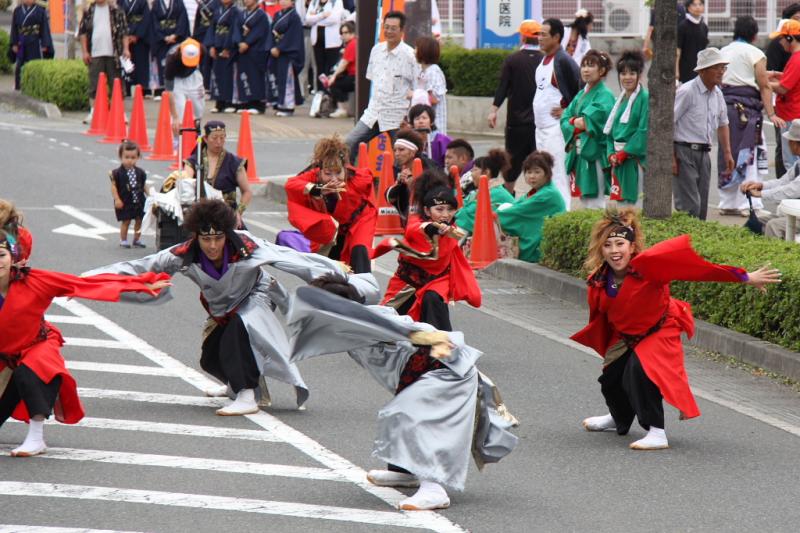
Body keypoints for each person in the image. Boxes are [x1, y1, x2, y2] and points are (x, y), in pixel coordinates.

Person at [84, 199, 350, 413]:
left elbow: (291, 259)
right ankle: (236, 384)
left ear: (227, 234)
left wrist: (335, 272)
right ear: (196, 236)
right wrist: (85, 281)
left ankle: (247, 395)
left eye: (218, 238)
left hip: (257, 294)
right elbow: (139, 266)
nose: (212, 245)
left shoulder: (247, 246)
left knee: (239, 330)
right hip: (221, 308)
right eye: (206, 239)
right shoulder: (183, 255)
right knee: (210, 357)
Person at [286, 283, 518, 511]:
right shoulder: (347, 323)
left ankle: (434, 490)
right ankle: (405, 472)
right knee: (400, 412)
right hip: (419, 373)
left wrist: (429, 337)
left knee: (408, 414)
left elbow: (404, 327)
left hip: (445, 369)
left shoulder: (366, 319)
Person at [572, 208, 780, 450]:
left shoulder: (649, 265)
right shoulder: (599, 278)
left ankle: (656, 431)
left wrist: (744, 277)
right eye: (608, 245)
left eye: (620, 243)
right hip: (626, 335)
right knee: (611, 380)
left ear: (631, 246)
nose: (615, 251)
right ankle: (618, 417)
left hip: (658, 328)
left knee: (640, 372)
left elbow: (698, 269)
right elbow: (602, 315)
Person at [0, 230, 170, 457]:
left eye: (1, 255)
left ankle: (36, 436)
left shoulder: (35, 280)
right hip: (4, 359)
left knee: (29, 372)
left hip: (35, 347)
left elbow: (83, 284)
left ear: (13, 257)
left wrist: (138, 284)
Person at [377, 174, 482, 331]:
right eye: (439, 209)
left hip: (436, 282)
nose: (445, 214)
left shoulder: (452, 232)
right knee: (384, 324)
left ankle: (442, 349)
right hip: (407, 283)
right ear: (426, 210)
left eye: (450, 209)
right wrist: (432, 228)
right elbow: (418, 228)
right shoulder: (415, 224)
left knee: (433, 301)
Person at [285, 136, 377, 273]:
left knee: (359, 252)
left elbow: (369, 192)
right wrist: (317, 190)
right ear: (320, 171)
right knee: (328, 265)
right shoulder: (313, 176)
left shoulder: (356, 178)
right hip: (332, 228)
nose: (334, 179)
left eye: (338, 172)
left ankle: (363, 289)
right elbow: (291, 184)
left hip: (359, 221)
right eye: (328, 174)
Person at [716, 16, 777, 216]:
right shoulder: (756, 53)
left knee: (727, 151)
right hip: (747, 111)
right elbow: (764, 85)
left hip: (725, 107)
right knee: (748, 154)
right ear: (754, 34)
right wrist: (771, 113)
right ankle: (748, 204)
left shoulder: (723, 52)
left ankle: (727, 201)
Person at [344, 11, 417, 162]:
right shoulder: (376, 50)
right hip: (373, 112)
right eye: (386, 27)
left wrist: (409, 117)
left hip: (398, 116)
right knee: (348, 143)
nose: (389, 31)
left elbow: (418, 88)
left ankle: (400, 185)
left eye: (393, 28)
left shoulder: (410, 55)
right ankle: (348, 179)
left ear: (402, 30)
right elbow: (372, 79)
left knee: (401, 158)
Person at [673, 48, 735, 221]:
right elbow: (669, 122)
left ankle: (696, 244)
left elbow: (723, 123)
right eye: (717, 67)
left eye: (723, 67)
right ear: (702, 70)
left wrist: (727, 152)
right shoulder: (687, 91)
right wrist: (671, 157)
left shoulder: (717, 93)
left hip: (704, 153)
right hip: (683, 152)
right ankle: (685, 242)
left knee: (701, 209)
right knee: (689, 206)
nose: (721, 72)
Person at [534, 18, 581, 212]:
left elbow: (581, 91)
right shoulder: (543, 60)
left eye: (544, 34)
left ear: (556, 37)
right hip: (541, 128)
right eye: (539, 34)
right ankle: (549, 212)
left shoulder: (563, 61)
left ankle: (563, 214)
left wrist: (568, 112)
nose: (540, 38)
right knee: (545, 173)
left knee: (558, 173)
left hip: (557, 129)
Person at [489, 19, 543, 190]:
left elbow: (503, 88)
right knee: (539, 164)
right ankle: (539, 200)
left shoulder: (513, 60)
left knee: (511, 167)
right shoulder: (545, 60)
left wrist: (493, 111)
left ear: (522, 37)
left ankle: (508, 202)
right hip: (540, 123)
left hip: (516, 124)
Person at [561, 50, 615, 209]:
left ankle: (598, 230)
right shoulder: (581, 94)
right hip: (580, 150)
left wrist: (575, 121)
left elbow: (587, 121)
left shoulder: (605, 95)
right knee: (585, 195)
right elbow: (565, 118)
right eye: (583, 65)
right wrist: (573, 121)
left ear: (602, 70)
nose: (585, 69)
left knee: (595, 199)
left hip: (595, 151)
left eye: (591, 65)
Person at [496, 151, 566, 263]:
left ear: (547, 174)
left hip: (541, 246)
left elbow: (518, 212)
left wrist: (493, 215)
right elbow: (519, 205)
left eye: (537, 172)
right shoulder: (538, 190)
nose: (532, 176)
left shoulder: (548, 194)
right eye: (528, 172)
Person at [181, 121, 252, 228]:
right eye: (214, 138)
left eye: (222, 138)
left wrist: (238, 213)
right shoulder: (194, 161)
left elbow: (247, 192)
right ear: (205, 139)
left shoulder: (234, 162)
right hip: (200, 215)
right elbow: (186, 182)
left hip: (226, 215)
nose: (219, 142)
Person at [740, 119, 800, 239]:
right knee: (755, 223)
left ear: (795, 144)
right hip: (796, 212)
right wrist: (760, 185)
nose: (788, 143)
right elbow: (782, 182)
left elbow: (791, 190)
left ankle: (777, 257)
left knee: (773, 226)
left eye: (790, 141)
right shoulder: (798, 164)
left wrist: (761, 194)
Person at [604, 50, 649, 207]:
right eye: (623, 73)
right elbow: (609, 132)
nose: (627, 77)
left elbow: (643, 131)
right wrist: (610, 153)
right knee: (620, 206)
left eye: (632, 73)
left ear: (640, 74)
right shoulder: (620, 99)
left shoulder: (644, 98)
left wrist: (624, 153)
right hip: (618, 160)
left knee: (633, 206)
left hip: (633, 159)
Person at [79, 0, 130, 125]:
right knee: (94, 83)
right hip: (95, 53)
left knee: (116, 83)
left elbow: (124, 32)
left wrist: (126, 49)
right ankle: (93, 111)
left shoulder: (117, 11)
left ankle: (120, 113)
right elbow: (83, 33)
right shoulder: (88, 11)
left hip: (114, 53)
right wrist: (85, 51)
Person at [454, 148, 515, 234]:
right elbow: (462, 204)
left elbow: (465, 214)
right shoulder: (486, 190)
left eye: (474, 170)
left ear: (486, 172)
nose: (471, 173)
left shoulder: (495, 193)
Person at [385, 129, 436, 226]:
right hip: (408, 223)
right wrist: (399, 183)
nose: (396, 154)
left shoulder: (430, 168)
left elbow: (436, 195)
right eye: (395, 150)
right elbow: (389, 198)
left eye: (401, 150)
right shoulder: (399, 169)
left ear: (413, 152)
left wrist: (414, 184)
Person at [768, 19, 800, 172]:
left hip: (791, 115)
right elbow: (791, 80)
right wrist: (775, 75)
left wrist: (762, 83)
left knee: (791, 163)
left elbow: (783, 88)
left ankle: (794, 196)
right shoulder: (795, 58)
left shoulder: (796, 59)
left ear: (790, 38)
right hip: (792, 113)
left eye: (782, 38)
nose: (780, 42)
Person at [110, 140, 149, 249]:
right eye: (126, 157)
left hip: (139, 200)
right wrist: (117, 199)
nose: (129, 160)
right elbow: (113, 187)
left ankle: (137, 239)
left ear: (138, 157)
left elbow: (143, 185)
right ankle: (123, 239)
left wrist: (150, 195)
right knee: (126, 221)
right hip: (125, 200)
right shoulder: (117, 173)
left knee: (139, 220)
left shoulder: (140, 172)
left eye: (133, 157)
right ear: (121, 157)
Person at [8, 0, 54, 91]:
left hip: (35, 42)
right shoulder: (17, 11)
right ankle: (18, 86)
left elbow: (44, 29)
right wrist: (14, 43)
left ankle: (35, 87)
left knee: (34, 65)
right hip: (21, 42)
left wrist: (45, 44)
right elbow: (14, 28)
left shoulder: (40, 11)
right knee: (20, 65)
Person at [205, 0, 241, 114]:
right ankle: (219, 102)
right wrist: (211, 45)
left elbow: (234, 31)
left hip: (228, 48)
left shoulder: (236, 12)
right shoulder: (217, 10)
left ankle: (230, 102)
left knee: (228, 75)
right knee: (217, 74)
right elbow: (212, 28)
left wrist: (227, 47)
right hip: (217, 45)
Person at [270, 0, 305, 117]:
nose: (283, 2)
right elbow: (271, 33)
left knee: (287, 80)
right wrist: (272, 47)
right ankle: (280, 104)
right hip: (277, 51)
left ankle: (288, 106)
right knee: (279, 79)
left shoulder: (294, 17)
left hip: (287, 53)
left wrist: (280, 48)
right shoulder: (277, 15)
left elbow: (293, 36)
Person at [236, 0, 271, 114]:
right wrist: (239, 42)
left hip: (256, 49)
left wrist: (247, 42)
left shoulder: (261, 15)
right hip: (242, 50)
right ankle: (245, 102)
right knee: (244, 75)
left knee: (255, 76)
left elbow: (260, 31)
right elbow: (236, 30)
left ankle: (258, 104)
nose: (246, 1)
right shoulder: (241, 14)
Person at [151, 0, 190, 98]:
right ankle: (162, 89)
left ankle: (174, 89)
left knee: (174, 63)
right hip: (161, 40)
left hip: (176, 39)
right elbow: (154, 22)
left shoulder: (178, 2)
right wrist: (164, 37)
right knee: (162, 64)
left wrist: (176, 35)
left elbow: (183, 19)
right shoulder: (156, 3)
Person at [166, 38, 206, 129]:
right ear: (181, 54)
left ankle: (196, 137)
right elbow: (169, 90)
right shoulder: (171, 59)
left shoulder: (202, 50)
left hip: (194, 76)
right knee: (180, 109)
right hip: (177, 80)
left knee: (198, 110)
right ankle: (177, 139)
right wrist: (175, 116)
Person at [413, 36, 448, 135]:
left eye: (416, 48)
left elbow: (434, 99)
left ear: (424, 51)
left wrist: (414, 94)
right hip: (424, 128)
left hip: (433, 130)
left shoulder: (433, 72)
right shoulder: (423, 71)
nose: (414, 51)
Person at [305, 0, 344, 82]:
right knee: (320, 67)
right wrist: (322, 15)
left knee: (332, 67)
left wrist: (315, 18)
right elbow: (308, 20)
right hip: (317, 40)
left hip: (333, 42)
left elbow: (334, 19)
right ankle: (321, 90)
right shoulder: (314, 2)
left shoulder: (336, 2)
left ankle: (331, 89)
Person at [327, 21, 357, 118]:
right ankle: (344, 109)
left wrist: (333, 77)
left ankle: (342, 109)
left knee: (334, 84)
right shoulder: (352, 43)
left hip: (354, 76)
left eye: (346, 32)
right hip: (353, 75)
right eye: (342, 33)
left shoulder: (352, 44)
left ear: (352, 32)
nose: (343, 35)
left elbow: (343, 64)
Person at [120, 0, 151, 95]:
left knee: (141, 63)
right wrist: (125, 36)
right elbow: (118, 18)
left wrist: (137, 35)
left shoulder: (143, 2)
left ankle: (143, 88)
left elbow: (146, 19)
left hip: (140, 39)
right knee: (127, 63)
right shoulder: (120, 2)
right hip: (125, 37)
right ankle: (127, 88)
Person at [408, 104, 451, 169]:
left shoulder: (441, 139)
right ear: (412, 123)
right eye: (417, 119)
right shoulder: (409, 141)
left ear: (432, 121)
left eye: (424, 118)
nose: (421, 121)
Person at [676, 0, 708, 84]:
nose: (697, 7)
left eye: (700, 4)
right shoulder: (682, 26)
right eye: (694, 5)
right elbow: (678, 51)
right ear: (688, 8)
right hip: (685, 70)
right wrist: (676, 71)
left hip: (700, 69)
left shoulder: (704, 27)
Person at [192, 0, 219, 93]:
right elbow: (197, 21)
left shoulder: (217, 3)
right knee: (202, 63)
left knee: (209, 62)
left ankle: (209, 86)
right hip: (201, 36)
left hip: (212, 35)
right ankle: (203, 85)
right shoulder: (201, 4)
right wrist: (194, 37)